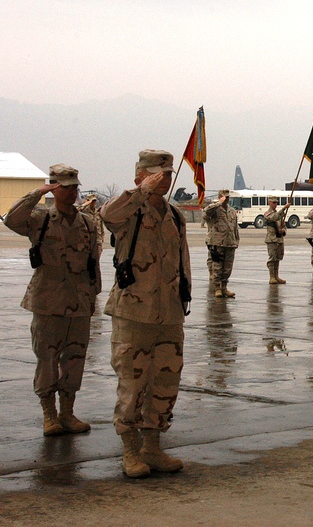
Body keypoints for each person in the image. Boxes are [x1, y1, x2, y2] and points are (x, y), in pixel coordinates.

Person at [100, 149, 190, 478]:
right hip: (134, 312)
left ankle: (153, 448)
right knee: (132, 383)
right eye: (157, 173)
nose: (164, 179)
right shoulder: (129, 211)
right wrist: (140, 191)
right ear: (140, 175)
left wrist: (184, 299)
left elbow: (183, 262)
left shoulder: (175, 215)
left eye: (168, 174)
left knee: (165, 382)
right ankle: (130, 450)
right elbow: (107, 215)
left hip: (168, 313)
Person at [5, 164, 102, 436]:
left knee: (75, 358)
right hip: (48, 300)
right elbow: (11, 219)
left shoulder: (87, 222)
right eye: (66, 187)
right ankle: (50, 414)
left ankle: (68, 412)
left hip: (79, 301)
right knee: (47, 357)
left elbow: (93, 261)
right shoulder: (40, 218)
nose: (72, 193)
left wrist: (93, 295)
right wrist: (36, 193)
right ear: (55, 188)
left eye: (74, 188)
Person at [203, 188, 240, 298]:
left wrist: (236, 240)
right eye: (225, 197)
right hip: (218, 242)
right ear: (220, 197)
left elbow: (235, 227)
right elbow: (205, 212)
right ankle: (217, 288)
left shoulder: (232, 211)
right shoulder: (215, 209)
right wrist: (218, 203)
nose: (227, 199)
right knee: (217, 267)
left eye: (228, 197)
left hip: (230, 243)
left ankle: (224, 287)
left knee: (228, 268)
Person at [264, 196, 290, 285]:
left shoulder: (280, 214)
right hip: (272, 239)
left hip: (279, 239)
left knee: (278, 258)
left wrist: (283, 231)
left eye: (276, 203)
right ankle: (271, 276)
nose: (275, 204)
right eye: (273, 203)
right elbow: (274, 218)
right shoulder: (267, 213)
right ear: (269, 203)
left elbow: (283, 225)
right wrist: (284, 208)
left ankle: (276, 276)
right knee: (272, 258)